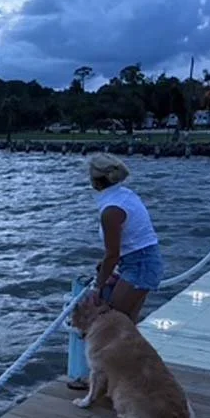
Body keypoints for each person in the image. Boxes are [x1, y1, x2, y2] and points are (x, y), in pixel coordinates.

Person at [70, 153, 164, 389]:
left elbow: (112, 253)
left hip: (139, 265)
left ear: (95, 180)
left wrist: (98, 285)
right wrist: (110, 269)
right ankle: (130, 377)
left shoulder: (111, 210)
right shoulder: (125, 195)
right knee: (126, 327)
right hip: (141, 261)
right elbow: (127, 246)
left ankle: (100, 381)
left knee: (109, 326)